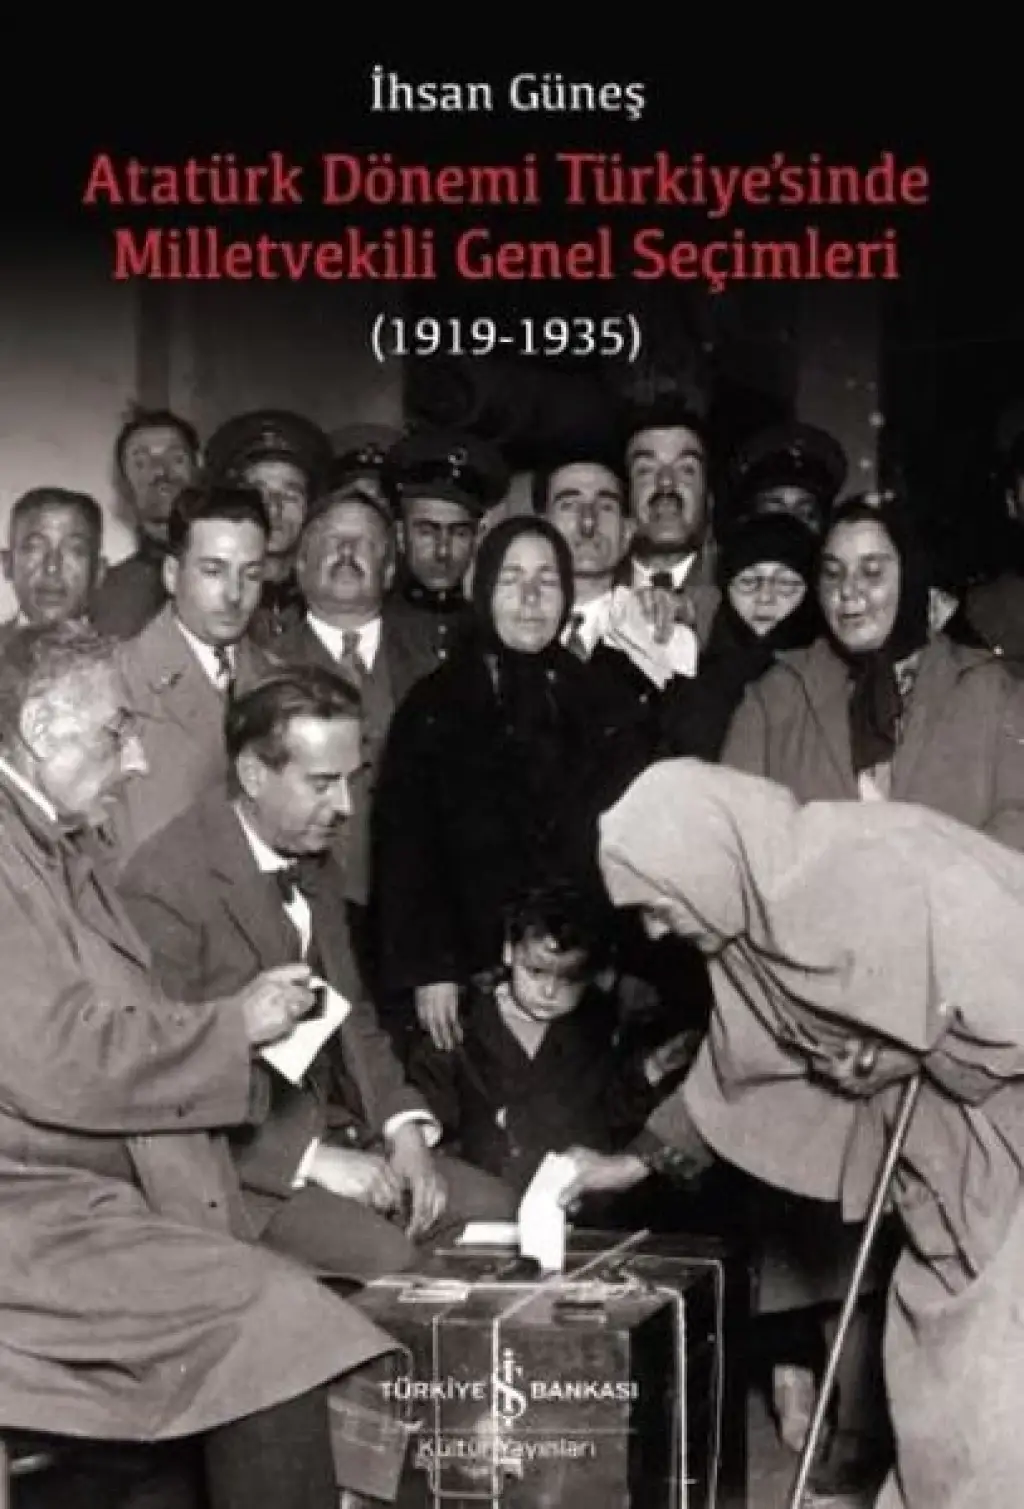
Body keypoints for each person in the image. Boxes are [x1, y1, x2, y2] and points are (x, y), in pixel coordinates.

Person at [0, 621, 413, 1509]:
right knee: (274, 1318)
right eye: (118, 728)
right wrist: (233, 1025)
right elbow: (59, 1056)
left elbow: (112, 1022)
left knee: (282, 1314)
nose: (139, 757)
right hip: (31, 1216)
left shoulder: (53, 843)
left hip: (78, 1195)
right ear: (38, 727)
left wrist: (235, 1027)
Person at [572, 756, 1024, 1509]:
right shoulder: (742, 927)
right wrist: (633, 1161)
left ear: (701, 860)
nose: (653, 929)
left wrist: (913, 1047)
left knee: (999, 1379)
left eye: (656, 906)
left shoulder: (886, 859)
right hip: (938, 1169)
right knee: (934, 1372)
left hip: (1009, 1132)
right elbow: (737, 1067)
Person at [119, 666, 517, 1278]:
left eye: (352, 781)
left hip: (338, 1132)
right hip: (238, 1168)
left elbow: (352, 1015)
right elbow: (163, 1079)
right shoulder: (163, 884)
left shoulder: (312, 861)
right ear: (254, 775)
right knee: (390, 1260)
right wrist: (311, 1161)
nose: (346, 807)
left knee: (499, 1212)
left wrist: (404, 1129)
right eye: (323, 784)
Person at [373, 515, 645, 1057]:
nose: (530, 598)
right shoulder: (434, 704)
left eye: (547, 580)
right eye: (511, 579)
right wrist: (432, 967)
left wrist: (609, 961)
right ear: (482, 590)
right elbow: (406, 849)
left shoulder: (601, 700)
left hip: (574, 974)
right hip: (464, 975)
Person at [405, 881, 699, 1211]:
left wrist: (650, 1071)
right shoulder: (459, 1027)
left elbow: (608, 1114)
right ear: (508, 951)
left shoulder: (596, 1026)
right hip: (481, 1204)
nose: (549, 992)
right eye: (535, 971)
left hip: (573, 1207)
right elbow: (428, 1125)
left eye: (569, 979)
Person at [661, 511, 822, 761]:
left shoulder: (829, 681)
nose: (765, 597)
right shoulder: (687, 679)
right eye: (748, 582)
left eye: (785, 584)